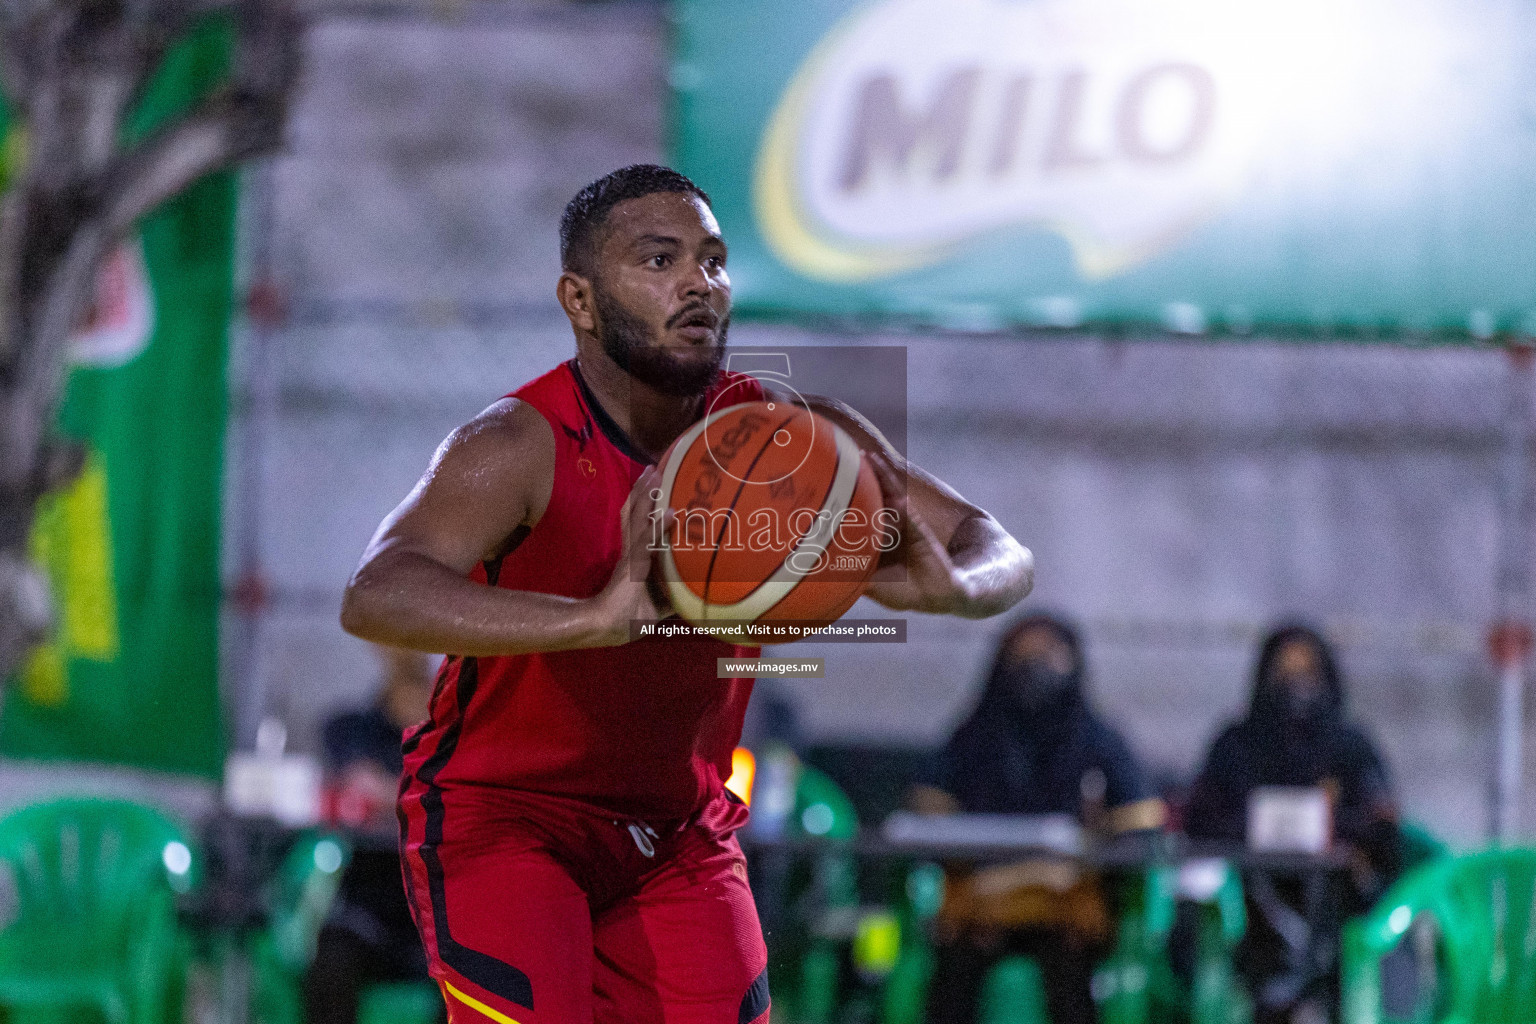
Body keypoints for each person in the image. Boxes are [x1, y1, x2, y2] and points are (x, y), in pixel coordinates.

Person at [339, 164, 1035, 1024]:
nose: (699, 285)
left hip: (677, 832)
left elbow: (998, 548)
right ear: (581, 301)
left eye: (713, 260)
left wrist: (958, 587)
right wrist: (592, 620)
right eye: (661, 261)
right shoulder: (519, 442)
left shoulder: (786, 437)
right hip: (507, 819)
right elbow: (375, 591)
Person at [913, 613, 1163, 1024]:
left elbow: (1140, 821)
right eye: (1022, 656)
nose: (1034, 669)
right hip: (983, 902)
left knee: (1070, 976)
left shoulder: (1096, 738)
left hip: (1065, 907)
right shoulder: (974, 735)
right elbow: (927, 809)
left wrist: (1099, 857)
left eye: (1049, 656)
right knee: (952, 977)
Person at [1184, 623, 1402, 1024]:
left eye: (1306, 672)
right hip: (1251, 900)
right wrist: (1261, 828)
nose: (1295, 685)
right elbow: (1199, 817)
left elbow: (1382, 823)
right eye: (1284, 672)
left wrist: (1330, 827)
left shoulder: (1350, 745)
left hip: (1337, 904)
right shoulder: (1237, 744)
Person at [306, 645, 439, 1024]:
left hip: (438, 907)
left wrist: (389, 793)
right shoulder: (352, 727)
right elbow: (358, 783)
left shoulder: (455, 735)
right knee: (329, 963)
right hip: (372, 909)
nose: (411, 649)